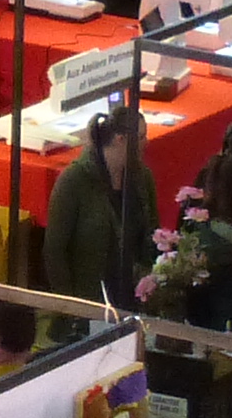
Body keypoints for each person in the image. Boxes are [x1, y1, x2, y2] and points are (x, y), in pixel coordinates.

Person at [36, 96, 157, 313]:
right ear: (121, 139)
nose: (146, 143)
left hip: (134, 295)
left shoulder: (142, 177)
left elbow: (153, 231)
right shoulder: (74, 180)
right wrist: (70, 306)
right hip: (90, 299)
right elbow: (54, 250)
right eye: (140, 137)